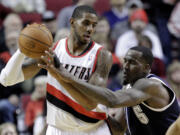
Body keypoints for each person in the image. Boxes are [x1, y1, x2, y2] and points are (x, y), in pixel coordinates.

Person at [0, 5, 113, 135]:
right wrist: (22, 48)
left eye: (94, 25)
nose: (90, 29)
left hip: (92, 129)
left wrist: (61, 74)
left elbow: (90, 103)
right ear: (72, 22)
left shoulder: (102, 55)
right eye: (86, 23)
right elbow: (6, 79)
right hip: (58, 129)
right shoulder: (52, 50)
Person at [52, 46, 180, 135]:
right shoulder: (129, 89)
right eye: (125, 61)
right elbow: (118, 129)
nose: (126, 66)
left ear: (147, 68)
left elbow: (112, 100)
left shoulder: (151, 85)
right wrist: (98, 113)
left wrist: (70, 78)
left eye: (133, 63)